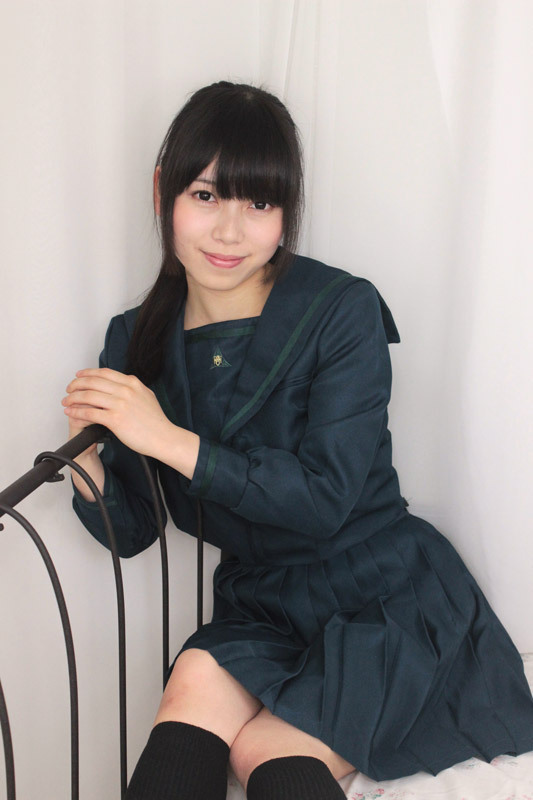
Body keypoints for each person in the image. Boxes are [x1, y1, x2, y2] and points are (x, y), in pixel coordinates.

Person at [63, 81, 533, 800]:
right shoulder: (136, 338)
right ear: (162, 192)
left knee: (262, 752)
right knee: (192, 680)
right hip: (261, 603)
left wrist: (166, 437)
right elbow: (133, 532)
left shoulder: (340, 310)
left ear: (287, 211)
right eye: (205, 195)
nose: (229, 232)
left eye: (259, 204)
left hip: (382, 596)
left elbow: (323, 501)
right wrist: (88, 459)